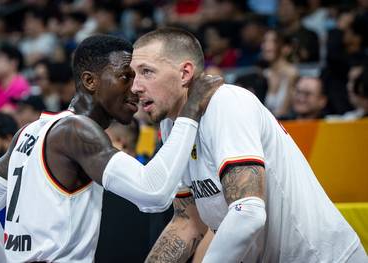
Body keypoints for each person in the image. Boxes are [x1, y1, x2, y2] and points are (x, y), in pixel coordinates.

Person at [0, 35, 222, 262]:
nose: (136, 88)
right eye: (125, 77)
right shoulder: (77, 131)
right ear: (90, 80)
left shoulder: (29, 131)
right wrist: (190, 112)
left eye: (140, 76)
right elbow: (153, 194)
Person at [127, 28, 366, 262]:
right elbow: (188, 221)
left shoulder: (226, 102)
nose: (135, 87)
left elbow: (248, 213)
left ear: (185, 72)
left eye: (147, 72)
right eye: (132, 75)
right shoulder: (173, 126)